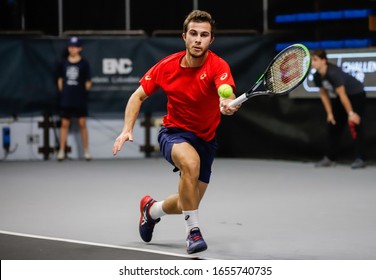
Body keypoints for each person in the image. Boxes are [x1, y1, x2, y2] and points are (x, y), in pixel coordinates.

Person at [112, 10, 240, 254]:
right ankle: (193, 232)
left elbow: (226, 89)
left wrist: (227, 102)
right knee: (190, 164)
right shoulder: (167, 66)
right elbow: (137, 96)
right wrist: (126, 129)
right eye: (193, 34)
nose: (198, 39)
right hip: (174, 132)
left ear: (211, 40)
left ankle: (151, 210)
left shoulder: (218, 65)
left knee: (185, 202)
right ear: (184, 37)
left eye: (204, 35)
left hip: (206, 139)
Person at [311, 49, 366, 169]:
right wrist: (330, 113)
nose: (312, 63)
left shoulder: (333, 73)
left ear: (323, 61)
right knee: (333, 125)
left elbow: (343, 94)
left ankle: (359, 158)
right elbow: (324, 95)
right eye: (312, 60)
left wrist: (351, 113)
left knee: (354, 124)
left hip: (355, 95)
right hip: (339, 98)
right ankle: (330, 158)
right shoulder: (317, 76)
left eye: (315, 60)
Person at [56, 36, 92, 161]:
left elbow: (88, 82)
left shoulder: (84, 63)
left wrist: (82, 93)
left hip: (80, 99)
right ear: (68, 48)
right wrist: (65, 92)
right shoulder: (63, 63)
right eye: (71, 46)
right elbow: (60, 79)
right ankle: (61, 151)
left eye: (75, 47)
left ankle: (86, 151)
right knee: (64, 124)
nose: (73, 49)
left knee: (82, 124)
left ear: (80, 48)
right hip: (66, 99)